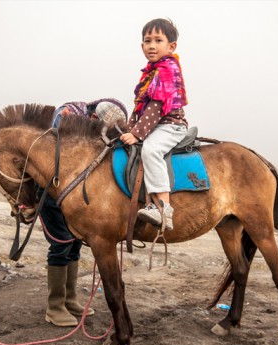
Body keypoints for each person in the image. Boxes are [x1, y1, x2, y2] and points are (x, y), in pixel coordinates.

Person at [40, 99, 127, 327]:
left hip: (75, 191)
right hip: (52, 191)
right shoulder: (66, 116)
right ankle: (55, 306)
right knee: (61, 244)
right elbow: (55, 157)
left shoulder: (96, 118)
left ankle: (70, 299)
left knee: (75, 243)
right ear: (95, 119)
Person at [120, 18, 188, 231]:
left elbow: (156, 106)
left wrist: (138, 134)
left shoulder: (167, 69)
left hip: (170, 125)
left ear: (171, 46)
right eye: (147, 41)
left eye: (158, 40)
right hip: (156, 125)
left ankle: (163, 207)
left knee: (150, 149)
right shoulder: (150, 72)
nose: (152, 45)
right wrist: (128, 128)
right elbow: (140, 107)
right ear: (142, 46)